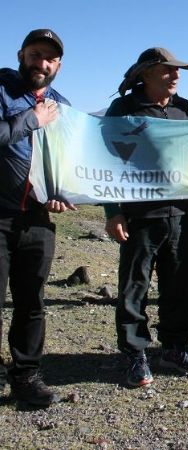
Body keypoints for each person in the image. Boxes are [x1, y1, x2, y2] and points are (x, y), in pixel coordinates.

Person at [104, 47, 188, 387]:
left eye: (178, 71)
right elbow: (106, 162)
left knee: (180, 284)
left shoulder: (184, 109)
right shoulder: (124, 109)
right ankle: (134, 352)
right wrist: (113, 211)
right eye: (167, 70)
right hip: (139, 215)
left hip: (181, 213)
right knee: (135, 286)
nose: (176, 76)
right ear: (145, 74)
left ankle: (174, 347)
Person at [0, 29, 74, 408]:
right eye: (35, 54)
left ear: (58, 65)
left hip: (37, 220)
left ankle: (26, 377)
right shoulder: (2, 89)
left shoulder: (61, 105)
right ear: (21, 54)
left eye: (50, 58)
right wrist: (30, 119)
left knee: (32, 302)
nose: (42, 64)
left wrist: (63, 192)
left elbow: (66, 161)